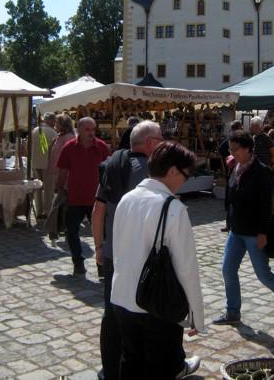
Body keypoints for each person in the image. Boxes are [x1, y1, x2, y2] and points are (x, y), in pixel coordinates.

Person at [110, 141, 203, 379]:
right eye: (185, 175)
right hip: (157, 304)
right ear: (172, 171)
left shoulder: (127, 199)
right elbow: (186, 267)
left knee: (130, 361)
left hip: (122, 297)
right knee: (158, 368)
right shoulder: (173, 208)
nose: (184, 181)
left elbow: (119, 249)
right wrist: (196, 316)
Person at [92, 121, 163, 380]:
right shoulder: (149, 173)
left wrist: (99, 247)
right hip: (137, 256)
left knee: (111, 313)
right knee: (142, 313)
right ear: (150, 143)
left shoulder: (113, 165)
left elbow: (97, 210)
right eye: (161, 138)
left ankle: (110, 370)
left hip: (112, 254)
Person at [213, 131, 274, 327]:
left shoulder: (260, 172)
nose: (232, 152)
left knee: (264, 275)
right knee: (228, 270)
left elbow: (265, 206)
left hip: (255, 232)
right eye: (231, 149)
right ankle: (233, 311)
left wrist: (262, 233)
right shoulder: (236, 167)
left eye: (236, 149)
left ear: (247, 148)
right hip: (237, 230)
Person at [56, 117, 110, 275]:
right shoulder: (69, 147)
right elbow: (63, 171)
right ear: (78, 129)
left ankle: (102, 265)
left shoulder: (101, 147)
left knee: (102, 234)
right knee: (71, 231)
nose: (91, 133)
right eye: (87, 129)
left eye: (93, 129)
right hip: (75, 197)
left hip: (97, 199)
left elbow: (109, 170)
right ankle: (78, 261)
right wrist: (59, 189)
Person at [31, 112, 57, 218]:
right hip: (48, 165)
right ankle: (47, 211)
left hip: (36, 163)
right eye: (54, 121)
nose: (55, 123)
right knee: (48, 189)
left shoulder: (35, 130)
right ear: (50, 120)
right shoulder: (53, 132)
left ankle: (39, 211)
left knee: (37, 189)